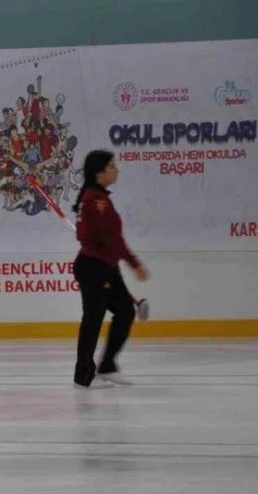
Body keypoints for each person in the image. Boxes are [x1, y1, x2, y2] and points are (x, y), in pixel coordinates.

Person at [71, 149, 150, 389]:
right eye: (112, 166)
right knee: (93, 320)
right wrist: (134, 263)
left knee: (125, 312)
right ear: (99, 173)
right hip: (95, 266)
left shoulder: (95, 197)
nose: (117, 170)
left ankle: (107, 365)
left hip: (105, 265)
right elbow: (113, 239)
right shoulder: (96, 200)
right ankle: (83, 376)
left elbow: (95, 235)